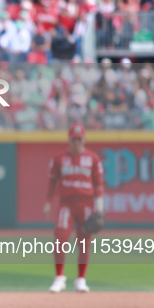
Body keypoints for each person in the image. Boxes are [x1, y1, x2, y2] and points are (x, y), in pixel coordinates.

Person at [43, 123, 104, 293]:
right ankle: (59, 277)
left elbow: (99, 185)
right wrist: (48, 201)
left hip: (86, 203)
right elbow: (52, 181)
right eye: (73, 139)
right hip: (66, 203)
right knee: (60, 239)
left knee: (84, 242)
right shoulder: (60, 158)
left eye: (79, 139)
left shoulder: (92, 158)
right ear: (69, 139)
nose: (76, 142)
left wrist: (99, 209)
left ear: (83, 139)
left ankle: (81, 279)